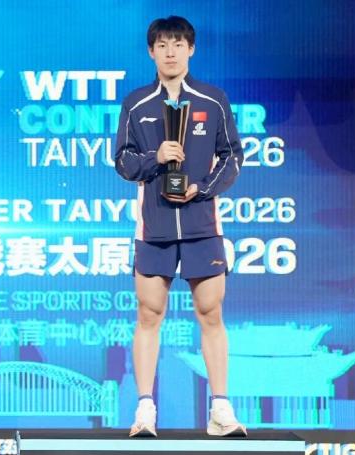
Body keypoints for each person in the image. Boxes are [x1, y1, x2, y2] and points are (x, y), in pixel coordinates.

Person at [114, 16, 246, 437]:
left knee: (211, 313)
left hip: (201, 225)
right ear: (151, 52)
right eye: (162, 45)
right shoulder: (136, 104)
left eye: (178, 44)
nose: (170, 52)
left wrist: (201, 188)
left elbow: (233, 156)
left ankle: (220, 409)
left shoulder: (213, 100)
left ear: (191, 49)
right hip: (154, 229)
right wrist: (155, 157)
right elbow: (122, 161)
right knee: (148, 314)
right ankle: (145, 410)